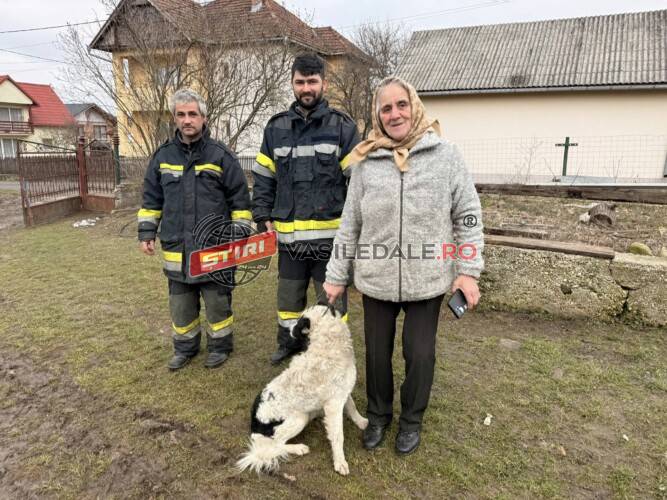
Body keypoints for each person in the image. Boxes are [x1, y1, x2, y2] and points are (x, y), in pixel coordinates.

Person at [323, 76, 484, 455]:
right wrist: (336, 275)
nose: (394, 114)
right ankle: (378, 415)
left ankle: (411, 420)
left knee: (420, 353)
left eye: (401, 105)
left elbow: (468, 215)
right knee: (377, 354)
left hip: (426, 280)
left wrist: (468, 271)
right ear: (377, 115)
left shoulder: (446, 156)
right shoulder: (366, 162)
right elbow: (350, 223)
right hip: (376, 279)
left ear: (415, 107)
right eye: (386, 108)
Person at [251, 53, 360, 365]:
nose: (306, 88)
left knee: (331, 300)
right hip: (289, 241)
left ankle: (334, 350)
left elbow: (359, 182)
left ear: (324, 83)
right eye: (300, 82)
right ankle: (290, 343)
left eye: (312, 81)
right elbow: (264, 177)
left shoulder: (342, 127)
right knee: (288, 300)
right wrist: (262, 215)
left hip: (330, 243)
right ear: (292, 83)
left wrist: (357, 228)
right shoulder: (275, 129)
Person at [138, 88, 252, 371]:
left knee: (217, 303)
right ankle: (185, 348)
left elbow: (240, 201)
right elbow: (151, 200)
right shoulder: (163, 157)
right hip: (177, 248)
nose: (187, 120)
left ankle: (220, 347)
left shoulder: (221, 156)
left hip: (214, 248)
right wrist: (147, 232)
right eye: (181, 114)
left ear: (204, 117)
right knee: (181, 305)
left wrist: (239, 236)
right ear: (174, 118)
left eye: (192, 114)